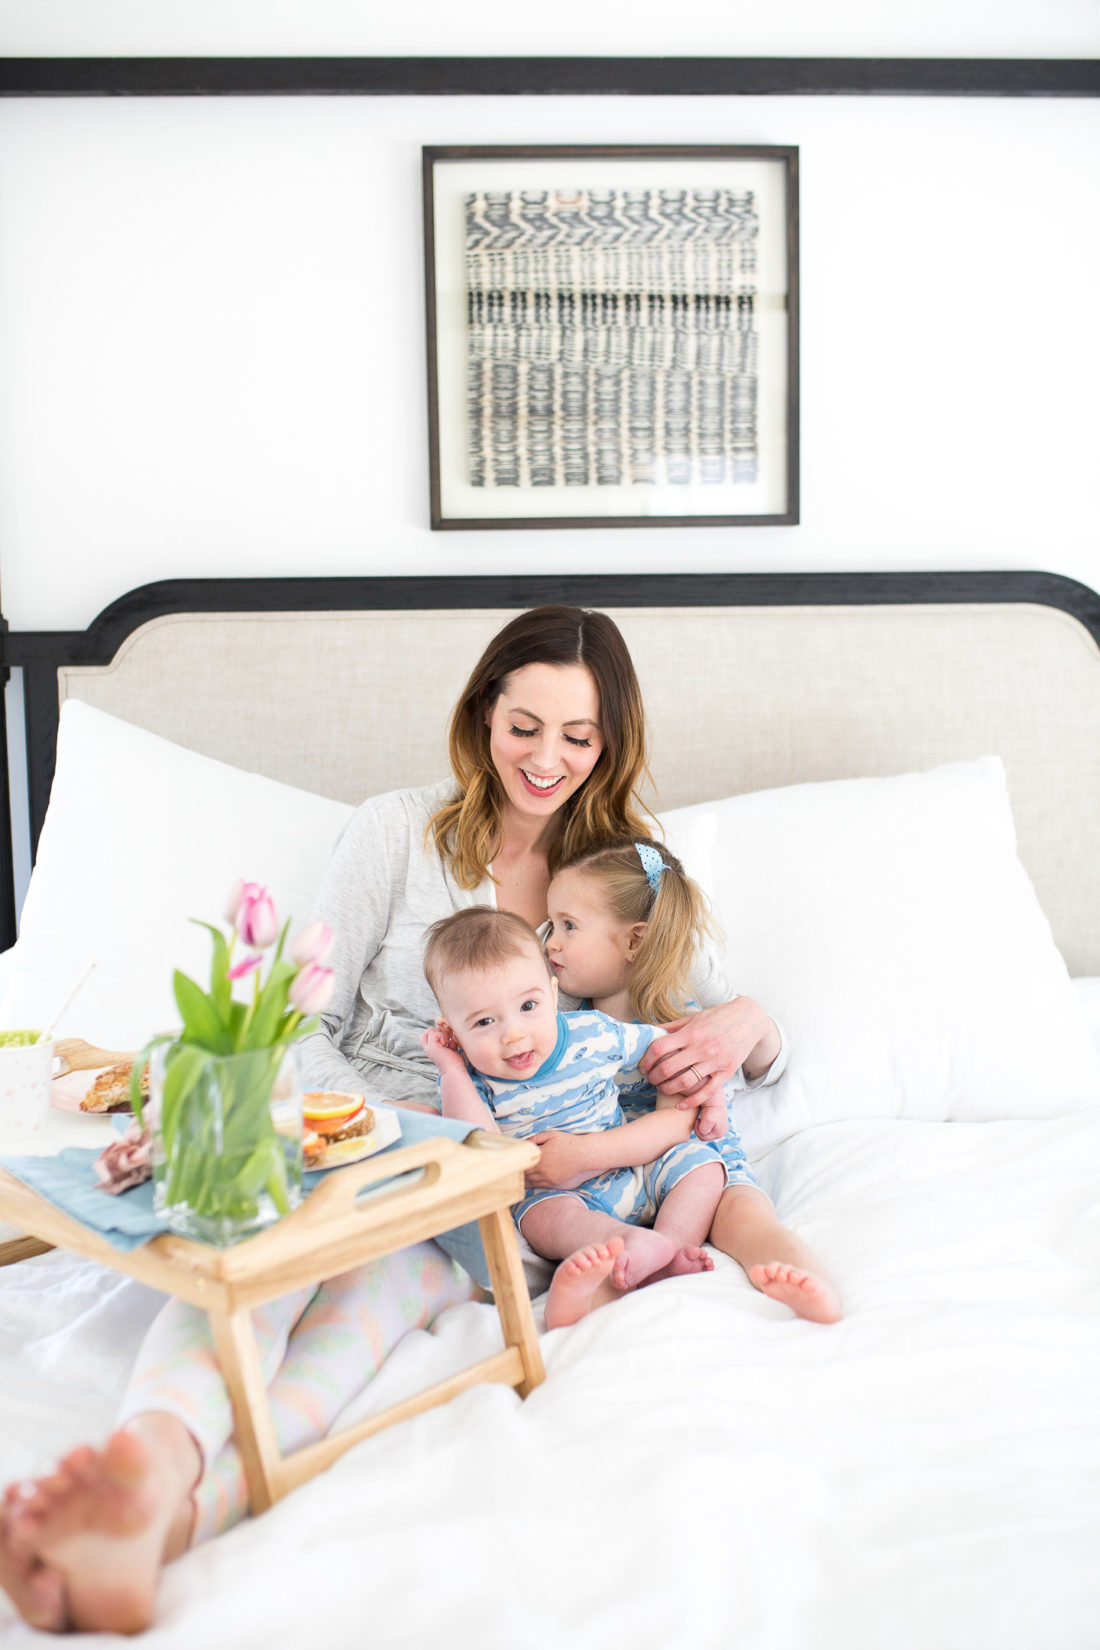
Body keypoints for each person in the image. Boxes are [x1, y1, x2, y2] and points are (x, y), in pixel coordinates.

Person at [0, 604, 788, 1633]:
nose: (545, 758)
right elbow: (297, 1016)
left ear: (609, 743)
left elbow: (739, 1041)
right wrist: (394, 1117)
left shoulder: (624, 872)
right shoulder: (392, 832)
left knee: (356, 1320)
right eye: (524, 725)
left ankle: (168, 1523)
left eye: (577, 736)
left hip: (496, 1193)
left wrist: (747, 1023)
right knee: (258, 1268)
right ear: (481, 716)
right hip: (363, 1132)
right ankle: (149, 1464)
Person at [533, 837, 841, 1324]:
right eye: (552, 925)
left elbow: (673, 1131)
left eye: (569, 927)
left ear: (635, 940)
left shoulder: (682, 1028)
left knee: (742, 1211)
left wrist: (579, 1155)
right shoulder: (567, 1027)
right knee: (560, 1219)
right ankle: (597, 1294)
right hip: (612, 1178)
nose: (550, 942)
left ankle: (801, 1277)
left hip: (692, 1164)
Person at [420, 907, 728, 1327]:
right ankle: (623, 1250)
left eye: (528, 1005)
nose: (513, 1034)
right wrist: (451, 1069)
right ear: (453, 1033)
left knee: (704, 1166)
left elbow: (671, 1051)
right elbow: (479, 1145)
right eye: (485, 1021)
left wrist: (710, 1094)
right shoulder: (471, 1083)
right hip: (558, 1197)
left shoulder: (594, 1033)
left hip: (630, 1166)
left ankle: (666, 1249)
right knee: (542, 1222)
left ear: (551, 991)